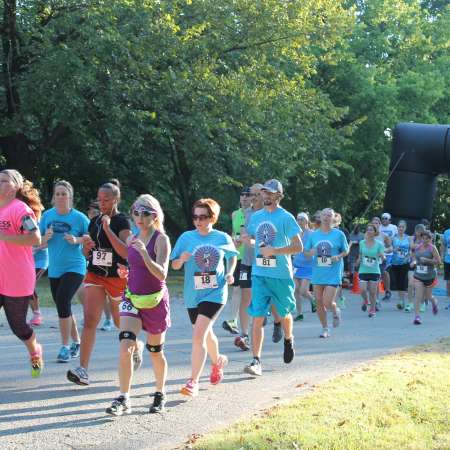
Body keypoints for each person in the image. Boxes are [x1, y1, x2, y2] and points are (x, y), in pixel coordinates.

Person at [106, 194, 171, 415]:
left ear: (155, 215)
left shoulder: (161, 239)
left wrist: (144, 253)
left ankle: (160, 393)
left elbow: (162, 272)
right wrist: (126, 272)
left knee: (155, 351)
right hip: (131, 297)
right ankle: (123, 397)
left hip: (154, 300)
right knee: (125, 346)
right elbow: (133, 266)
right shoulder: (132, 237)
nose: (140, 217)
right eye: (136, 212)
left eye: (146, 213)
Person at [67, 179, 132, 386]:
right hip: (95, 274)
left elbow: (125, 251)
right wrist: (86, 247)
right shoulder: (94, 222)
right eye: (100, 200)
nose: (102, 204)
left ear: (116, 199)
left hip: (116, 277)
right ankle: (83, 369)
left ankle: (134, 345)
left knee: (118, 321)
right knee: (90, 319)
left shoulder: (122, 222)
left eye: (106, 200)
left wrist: (108, 229)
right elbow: (88, 252)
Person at [171, 198, 238, 397]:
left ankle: (193, 381)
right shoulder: (186, 238)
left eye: (203, 217)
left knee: (198, 334)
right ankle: (217, 361)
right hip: (193, 293)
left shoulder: (222, 237)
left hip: (215, 292)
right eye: (195, 217)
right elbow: (173, 265)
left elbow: (232, 255)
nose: (198, 221)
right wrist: (181, 260)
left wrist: (230, 271)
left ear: (213, 218)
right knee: (206, 333)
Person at [241, 179, 302, 376]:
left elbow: (298, 247)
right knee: (257, 316)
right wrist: (244, 240)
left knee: (284, 314)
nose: (266, 196)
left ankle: (288, 338)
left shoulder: (286, 218)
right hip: (259, 273)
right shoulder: (256, 217)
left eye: (270, 193)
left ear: (278, 196)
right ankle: (256, 360)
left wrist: (274, 250)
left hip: (281, 275)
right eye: (264, 193)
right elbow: (253, 240)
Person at [0, 169, 44, 377]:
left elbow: (35, 238)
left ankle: (35, 351)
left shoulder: (21, 209)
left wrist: (4, 237)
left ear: (15, 186)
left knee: (18, 326)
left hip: (16, 278)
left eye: (4, 181)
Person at [40, 181, 89, 362]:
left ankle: (64, 347)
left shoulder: (79, 218)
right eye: (58, 194)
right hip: (55, 268)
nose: (60, 197)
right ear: (54, 197)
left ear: (70, 196)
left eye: (64, 193)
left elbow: (92, 236)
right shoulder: (47, 216)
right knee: (63, 305)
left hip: (75, 266)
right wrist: (45, 237)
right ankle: (77, 341)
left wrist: (76, 240)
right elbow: (38, 241)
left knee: (62, 300)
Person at [304, 208, 349, 338]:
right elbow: (306, 252)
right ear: (320, 217)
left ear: (333, 218)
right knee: (318, 301)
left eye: (329, 215)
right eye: (324, 215)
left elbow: (346, 251)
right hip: (318, 271)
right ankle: (325, 328)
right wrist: (310, 252)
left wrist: (338, 256)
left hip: (333, 271)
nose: (326, 217)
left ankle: (335, 310)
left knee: (327, 302)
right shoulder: (314, 235)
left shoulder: (338, 234)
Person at [234, 183, 264, 351]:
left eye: (255, 194)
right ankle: (244, 334)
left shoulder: (269, 214)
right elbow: (244, 234)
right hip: (247, 261)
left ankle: (274, 321)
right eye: (250, 194)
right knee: (246, 295)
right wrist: (238, 241)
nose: (252, 197)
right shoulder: (247, 213)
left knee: (264, 295)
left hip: (266, 262)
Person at [222, 187, 252, 335]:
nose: (245, 198)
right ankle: (233, 321)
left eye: (248, 195)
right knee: (237, 288)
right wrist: (233, 240)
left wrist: (244, 239)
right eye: (243, 195)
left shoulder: (255, 214)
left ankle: (261, 313)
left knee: (248, 290)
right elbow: (235, 233)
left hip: (251, 258)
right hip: (238, 256)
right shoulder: (235, 214)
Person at [411, 229, 441, 325]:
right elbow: (414, 257)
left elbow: (439, 262)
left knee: (428, 296)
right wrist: (414, 262)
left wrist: (428, 260)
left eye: (427, 239)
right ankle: (417, 316)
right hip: (418, 275)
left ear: (430, 239)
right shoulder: (418, 247)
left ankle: (434, 302)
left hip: (429, 276)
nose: (425, 240)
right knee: (418, 296)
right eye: (423, 238)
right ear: (421, 238)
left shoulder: (432, 248)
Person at [357, 223, 385, 317]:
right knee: (362, 290)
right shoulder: (362, 243)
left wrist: (383, 256)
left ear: (375, 232)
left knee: (373, 292)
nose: (369, 231)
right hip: (363, 269)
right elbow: (360, 254)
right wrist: (358, 259)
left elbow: (382, 254)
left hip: (374, 270)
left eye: (371, 230)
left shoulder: (379, 244)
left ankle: (372, 309)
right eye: (368, 229)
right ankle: (365, 300)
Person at [292, 212, 315, 321]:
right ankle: (299, 313)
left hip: (308, 266)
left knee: (303, 291)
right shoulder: (295, 233)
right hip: (296, 265)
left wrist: (310, 253)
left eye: (301, 219)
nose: (299, 221)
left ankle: (313, 300)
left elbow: (316, 248)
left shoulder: (312, 234)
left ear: (306, 221)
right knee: (296, 290)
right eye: (298, 219)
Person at [389, 220, 411, 310]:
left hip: (405, 262)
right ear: (397, 228)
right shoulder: (393, 238)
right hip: (395, 262)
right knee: (398, 281)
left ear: (405, 228)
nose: (401, 228)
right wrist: (393, 250)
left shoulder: (409, 238)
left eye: (402, 227)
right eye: (399, 227)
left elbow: (411, 249)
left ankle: (401, 301)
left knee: (403, 280)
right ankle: (401, 299)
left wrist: (408, 256)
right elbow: (389, 248)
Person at [405, 223, 426, 313]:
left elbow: (424, 249)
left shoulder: (426, 239)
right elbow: (411, 246)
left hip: (422, 265)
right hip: (412, 264)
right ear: (416, 231)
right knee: (410, 284)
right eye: (418, 231)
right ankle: (410, 303)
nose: (419, 233)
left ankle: (422, 303)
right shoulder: (411, 238)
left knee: (421, 286)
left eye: (421, 232)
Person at [29, 237, 48, 327]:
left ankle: (37, 315)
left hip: (41, 261)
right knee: (26, 288)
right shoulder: (23, 226)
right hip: (28, 261)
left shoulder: (41, 225)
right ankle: (36, 315)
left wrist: (35, 249)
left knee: (29, 286)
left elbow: (49, 243)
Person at [379, 212, 398, 301]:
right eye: (383, 218)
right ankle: (376, 293)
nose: (384, 220)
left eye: (386, 218)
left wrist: (395, 248)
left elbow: (398, 237)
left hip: (389, 253)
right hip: (378, 253)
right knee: (380, 273)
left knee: (385, 271)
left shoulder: (393, 227)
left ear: (390, 220)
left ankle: (388, 291)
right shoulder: (378, 228)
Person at [348, 224, 364, 289]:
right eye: (355, 228)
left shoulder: (362, 235)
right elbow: (349, 242)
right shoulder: (351, 235)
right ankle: (351, 283)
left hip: (359, 253)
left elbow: (363, 243)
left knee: (359, 269)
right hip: (352, 254)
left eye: (357, 228)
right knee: (351, 269)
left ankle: (359, 283)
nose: (356, 229)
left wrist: (357, 242)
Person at [441, 226, 450, 309]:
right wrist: (442, 255)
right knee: (448, 282)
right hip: (448, 260)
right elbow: (443, 244)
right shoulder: (447, 232)